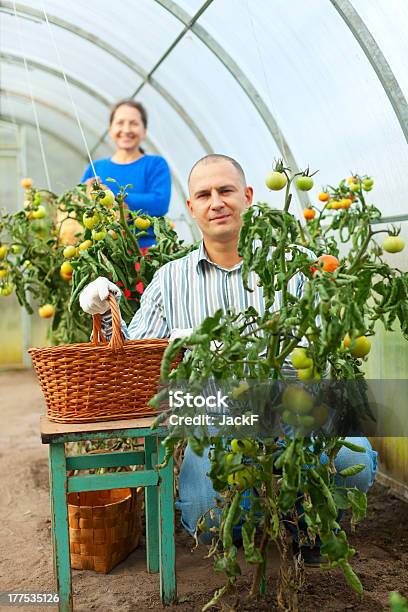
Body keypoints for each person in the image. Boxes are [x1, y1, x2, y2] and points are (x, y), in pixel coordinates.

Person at [79, 154, 377, 551]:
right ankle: (245, 527)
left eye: (226, 190)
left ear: (248, 196)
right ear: (191, 208)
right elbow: (138, 357)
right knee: (209, 513)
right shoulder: (170, 279)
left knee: (349, 467)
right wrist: (105, 308)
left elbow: (325, 350)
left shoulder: (291, 266)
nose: (215, 202)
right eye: (203, 194)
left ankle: (308, 527)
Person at [81, 100, 171, 248]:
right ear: (110, 129)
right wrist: (84, 195)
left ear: (144, 130)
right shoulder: (96, 167)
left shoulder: (155, 164)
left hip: (145, 250)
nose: (126, 129)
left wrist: (110, 196)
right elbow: (83, 206)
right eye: (120, 123)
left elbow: (159, 203)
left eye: (134, 123)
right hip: (105, 251)